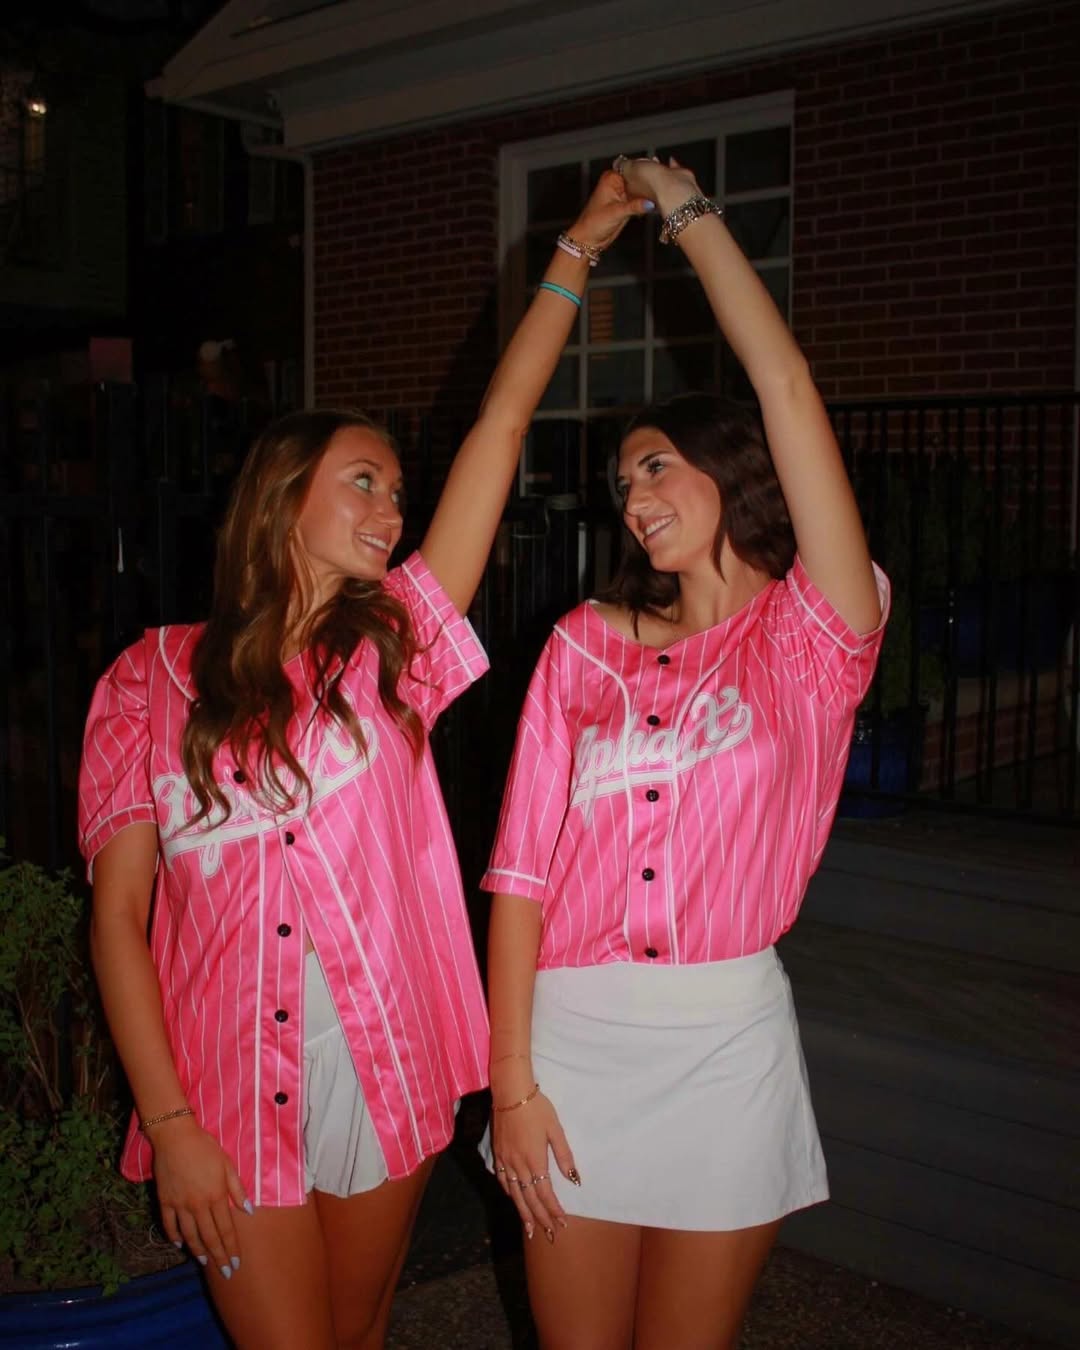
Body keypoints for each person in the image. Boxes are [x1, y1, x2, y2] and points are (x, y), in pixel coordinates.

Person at [77, 171, 650, 1350]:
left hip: (384, 1063)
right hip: (223, 1087)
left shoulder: (394, 653)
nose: (392, 508)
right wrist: (169, 1121)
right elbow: (120, 918)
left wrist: (576, 253)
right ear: (284, 498)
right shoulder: (147, 680)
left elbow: (499, 427)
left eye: (397, 488)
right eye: (364, 482)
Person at [483, 155, 889, 1350]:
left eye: (656, 463)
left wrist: (690, 216)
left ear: (731, 466)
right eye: (623, 481)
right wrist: (511, 1083)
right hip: (569, 1042)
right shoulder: (584, 646)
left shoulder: (814, 637)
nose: (635, 494)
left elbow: (788, 385)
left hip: (725, 1047)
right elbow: (519, 876)